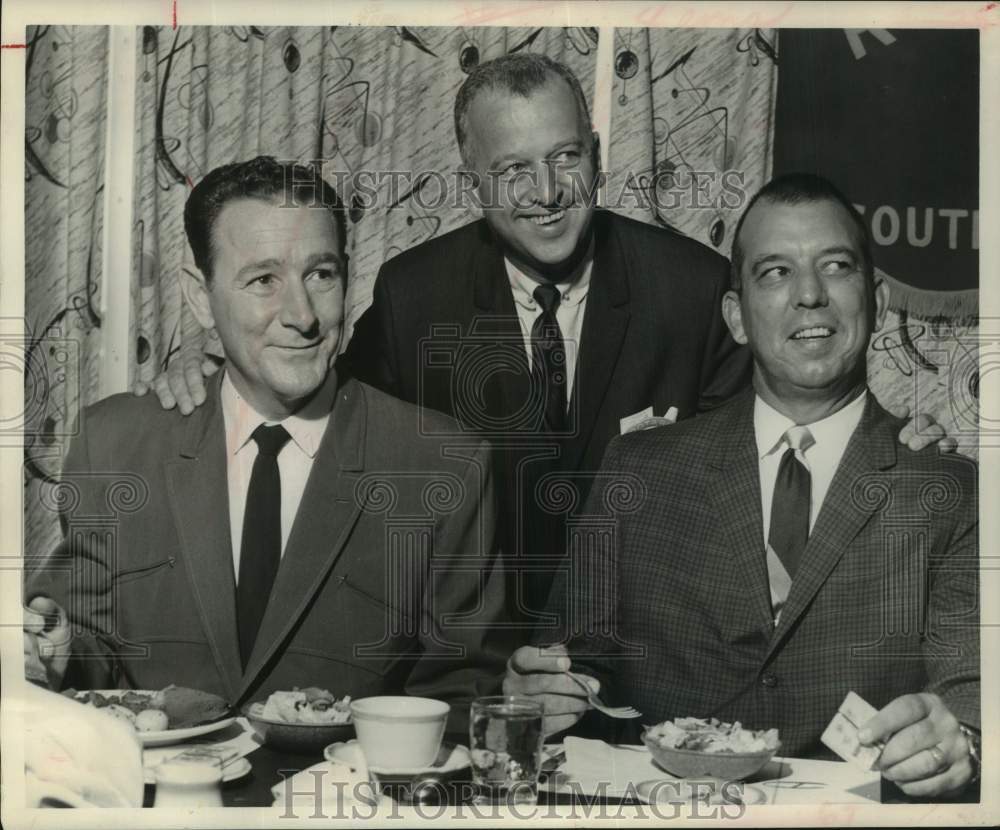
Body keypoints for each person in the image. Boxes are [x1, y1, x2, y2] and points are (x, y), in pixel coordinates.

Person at [143, 55, 949, 625]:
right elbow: (323, 408)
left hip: (652, 650)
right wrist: (210, 375)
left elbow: (780, 445)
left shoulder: (691, 286)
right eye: (515, 170)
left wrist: (900, 440)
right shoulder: (415, 292)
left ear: (596, 157)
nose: (549, 193)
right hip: (462, 659)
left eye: (567, 157)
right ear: (473, 179)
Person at [504, 174, 980, 799]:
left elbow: (969, 695)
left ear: (879, 299)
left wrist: (966, 739)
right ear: (736, 317)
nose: (809, 294)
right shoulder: (638, 471)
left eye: (835, 265)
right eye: (775, 272)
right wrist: (538, 691)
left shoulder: (949, 490)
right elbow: (574, 666)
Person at [24, 157, 507, 722]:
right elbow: (92, 655)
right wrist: (57, 657)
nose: (302, 315)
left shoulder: (443, 465)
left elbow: (465, 694)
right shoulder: (114, 443)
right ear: (200, 297)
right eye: (263, 281)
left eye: (321, 274)